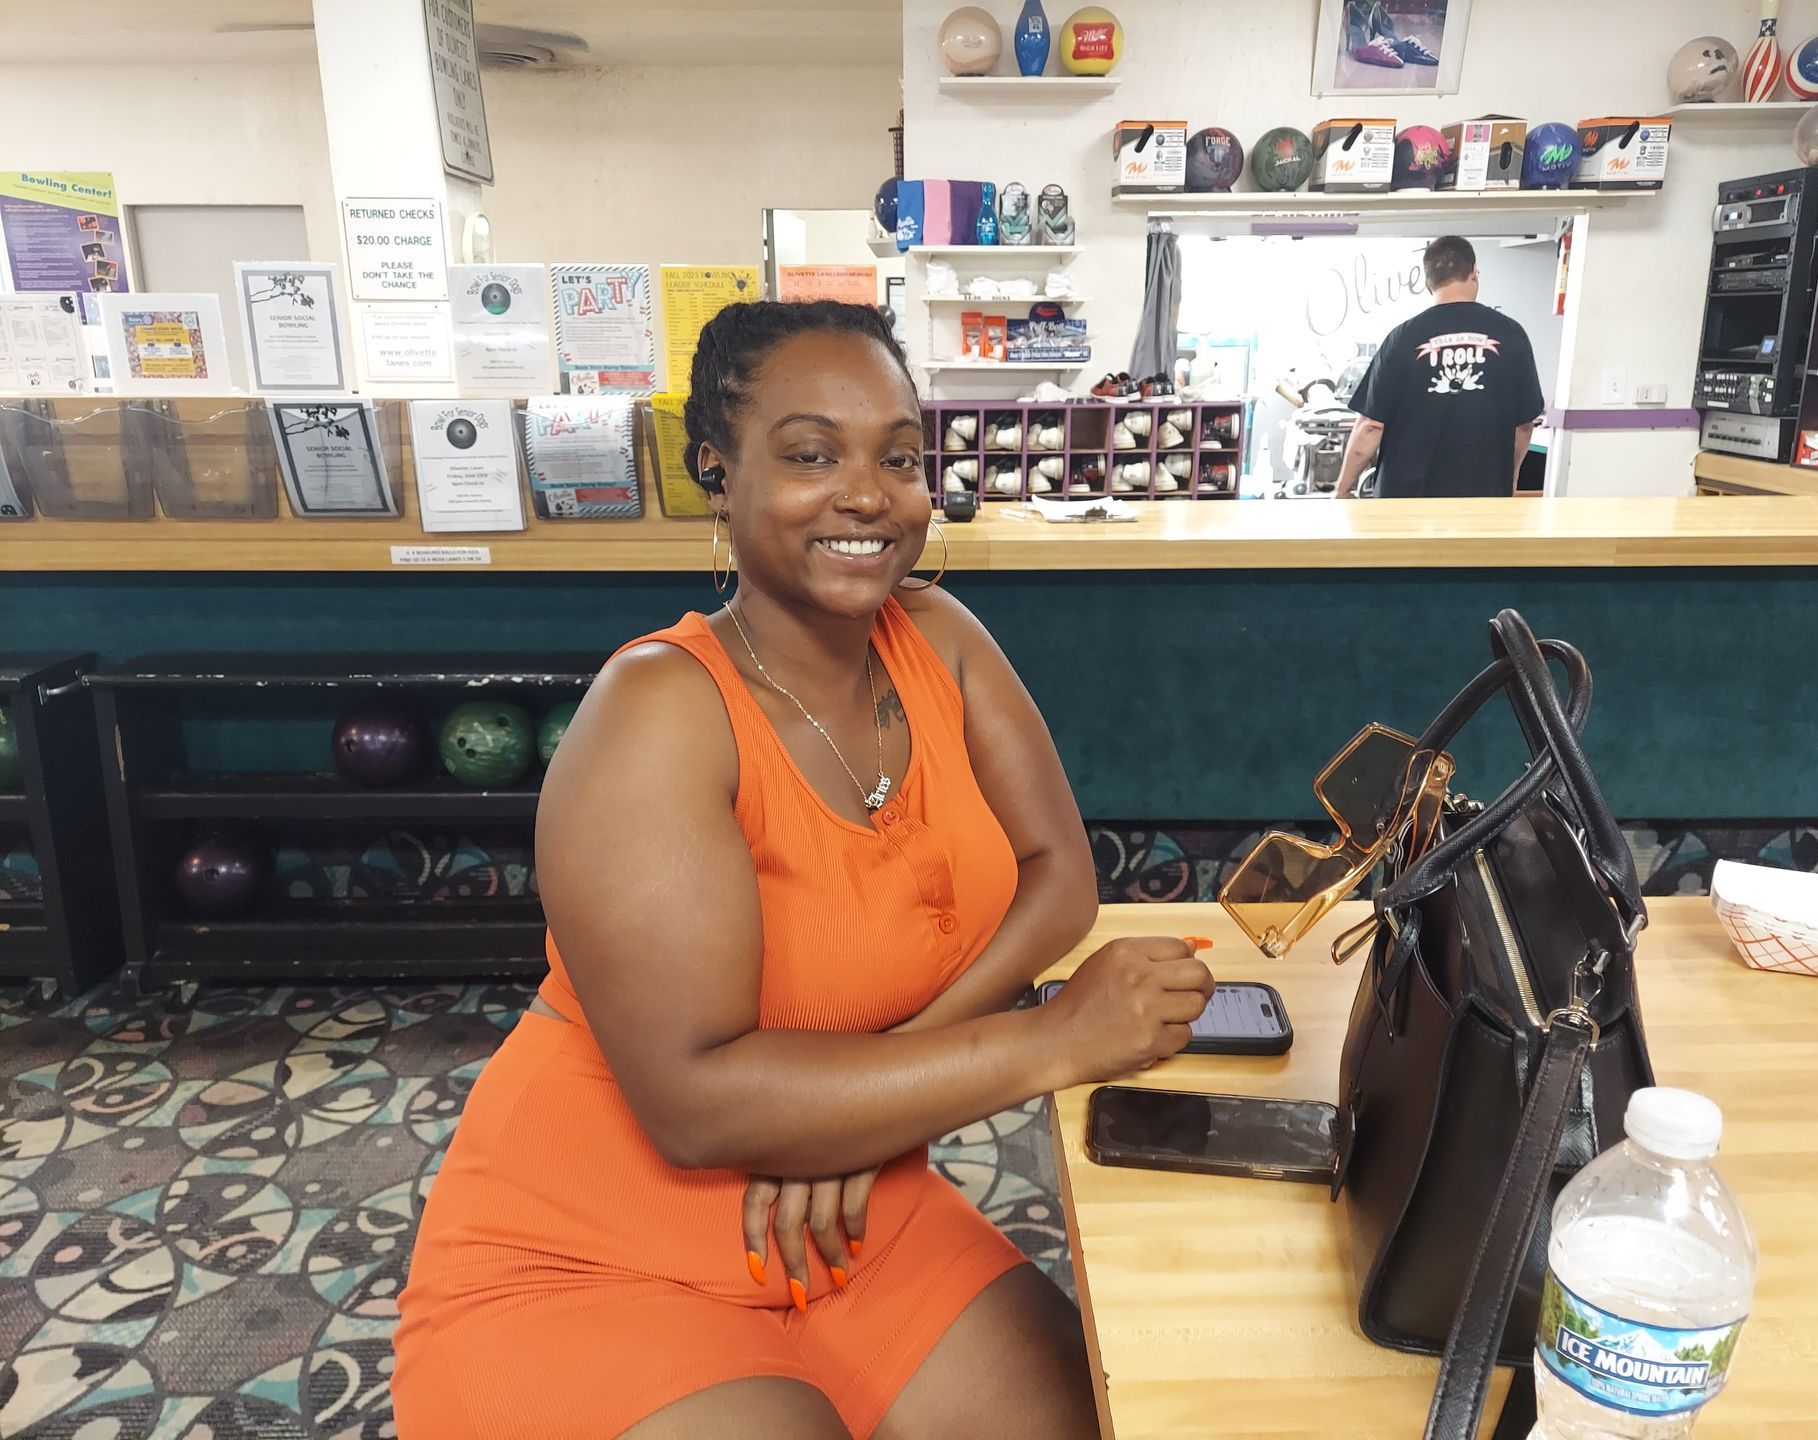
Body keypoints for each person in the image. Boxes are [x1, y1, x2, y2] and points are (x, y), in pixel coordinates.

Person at [392, 300, 1215, 1440]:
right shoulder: (656, 712)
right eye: (812, 455)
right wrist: (1055, 1041)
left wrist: (861, 1112)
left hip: (846, 1207)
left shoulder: (942, 637)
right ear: (717, 475)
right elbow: (694, 1105)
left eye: (900, 457)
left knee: (1101, 1422)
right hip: (592, 1251)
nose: (869, 494)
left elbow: (1059, 875)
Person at [1332, 235, 1545, 499]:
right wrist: (1508, 481)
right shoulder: (1511, 334)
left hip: (1405, 503)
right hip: (1481, 502)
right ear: (1474, 273)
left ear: (1427, 283)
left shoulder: (1401, 339)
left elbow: (1370, 426)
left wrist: (1342, 490)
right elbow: (1523, 426)